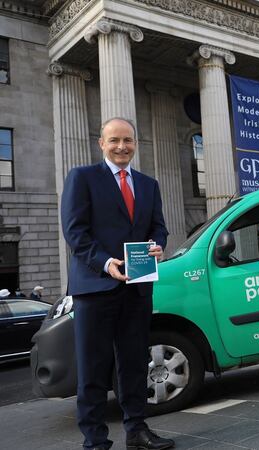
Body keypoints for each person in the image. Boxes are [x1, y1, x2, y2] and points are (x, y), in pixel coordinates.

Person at [61, 117, 172, 450]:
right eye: (114, 141)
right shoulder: (82, 177)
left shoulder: (148, 184)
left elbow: (159, 227)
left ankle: (137, 431)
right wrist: (106, 263)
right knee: (93, 368)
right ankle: (95, 441)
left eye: (128, 140)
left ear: (135, 144)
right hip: (95, 288)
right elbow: (75, 232)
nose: (121, 146)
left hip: (137, 288)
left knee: (135, 363)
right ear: (102, 144)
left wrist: (158, 244)